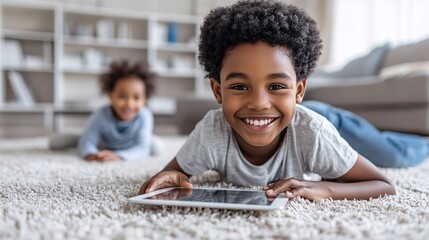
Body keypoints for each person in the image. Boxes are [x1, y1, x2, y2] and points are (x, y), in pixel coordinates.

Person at [138, 0, 396, 200]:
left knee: (393, 152)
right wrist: (168, 176)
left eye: (276, 85)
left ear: (298, 90)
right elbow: (174, 174)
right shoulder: (211, 131)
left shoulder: (314, 135)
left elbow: (384, 185)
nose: (258, 102)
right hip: (283, 114)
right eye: (240, 86)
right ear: (217, 91)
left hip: (327, 119)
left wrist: (324, 188)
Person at [49, 59, 157, 162]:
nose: (129, 104)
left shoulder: (145, 116)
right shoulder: (101, 115)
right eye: (122, 96)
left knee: (155, 147)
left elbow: (142, 149)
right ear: (110, 95)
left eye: (136, 98)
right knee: (57, 142)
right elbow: (88, 144)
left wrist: (119, 156)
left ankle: (148, 138)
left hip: (132, 143)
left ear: (145, 99)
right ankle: (81, 136)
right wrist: (91, 154)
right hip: (104, 143)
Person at [301, 101, 429, 168]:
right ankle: (381, 137)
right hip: (311, 114)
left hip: (327, 119)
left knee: (395, 156)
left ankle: (425, 143)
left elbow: (381, 183)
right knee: (381, 141)